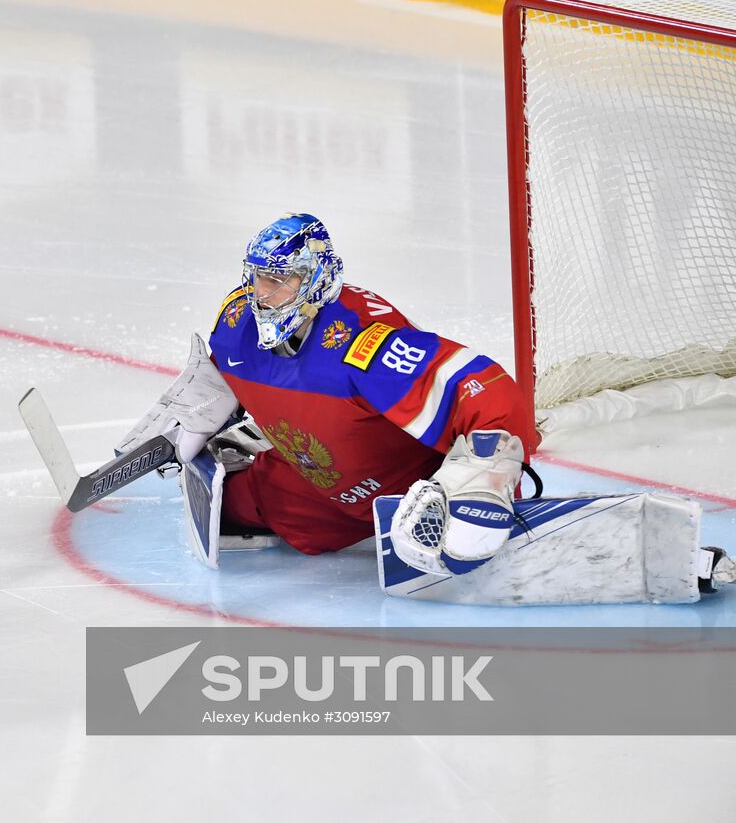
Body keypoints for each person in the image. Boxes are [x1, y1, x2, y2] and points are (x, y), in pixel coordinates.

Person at [120, 212, 541, 569]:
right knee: (229, 508)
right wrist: (211, 393)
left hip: (412, 494)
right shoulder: (237, 321)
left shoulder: (365, 343)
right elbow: (229, 361)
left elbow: (481, 386)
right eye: (258, 278)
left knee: (466, 512)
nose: (261, 296)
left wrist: (487, 471)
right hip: (314, 492)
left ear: (315, 280)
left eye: (279, 281)